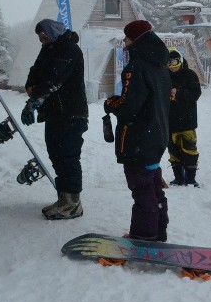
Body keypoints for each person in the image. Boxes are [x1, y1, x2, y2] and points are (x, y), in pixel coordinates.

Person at [104, 20, 172, 241]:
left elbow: (130, 107)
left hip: (139, 138)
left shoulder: (137, 66)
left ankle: (144, 234)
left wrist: (111, 104)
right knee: (153, 186)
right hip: (156, 135)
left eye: (126, 38)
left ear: (135, 39)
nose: (125, 43)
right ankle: (158, 229)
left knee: (142, 188)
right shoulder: (160, 65)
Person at [23, 18, 89, 220]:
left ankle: (73, 203)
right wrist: (31, 86)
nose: (42, 39)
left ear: (53, 31)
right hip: (54, 113)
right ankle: (63, 198)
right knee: (56, 155)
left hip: (71, 113)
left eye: (44, 35)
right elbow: (35, 71)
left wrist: (33, 101)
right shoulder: (49, 49)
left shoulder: (69, 50)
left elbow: (54, 80)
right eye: (40, 37)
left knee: (68, 156)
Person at [166, 47, 202, 187]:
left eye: (173, 62)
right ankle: (178, 177)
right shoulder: (164, 75)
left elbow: (196, 94)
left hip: (187, 120)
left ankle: (191, 178)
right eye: (168, 63)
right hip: (170, 121)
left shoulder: (190, 75)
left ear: (179, 61)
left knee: (190, 150)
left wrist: (179, 93)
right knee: (173, 151)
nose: (171, 66)